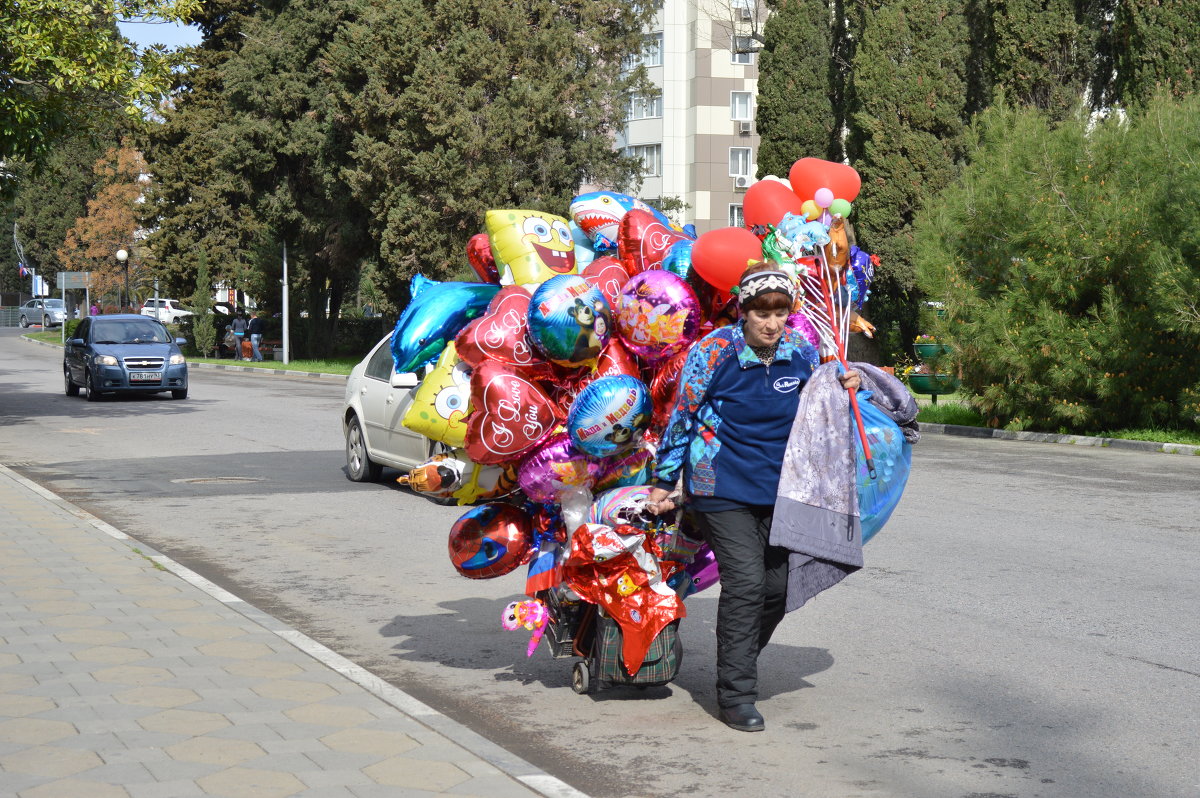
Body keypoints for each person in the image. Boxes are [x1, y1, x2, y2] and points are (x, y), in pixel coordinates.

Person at [647, 263, 860, 733]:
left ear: (790, 312)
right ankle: (737, 694)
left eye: (780, 312)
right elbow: (682, 417)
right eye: (761, 312)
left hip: (779, 491)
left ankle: (735, 656)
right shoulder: (714, 351)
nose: (771, 322)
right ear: (743, 311)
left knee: (777, 590)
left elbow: (820, 409)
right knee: (745, 583)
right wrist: (664, 482)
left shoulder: (802, 353)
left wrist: (846, 388)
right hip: (719, 487)